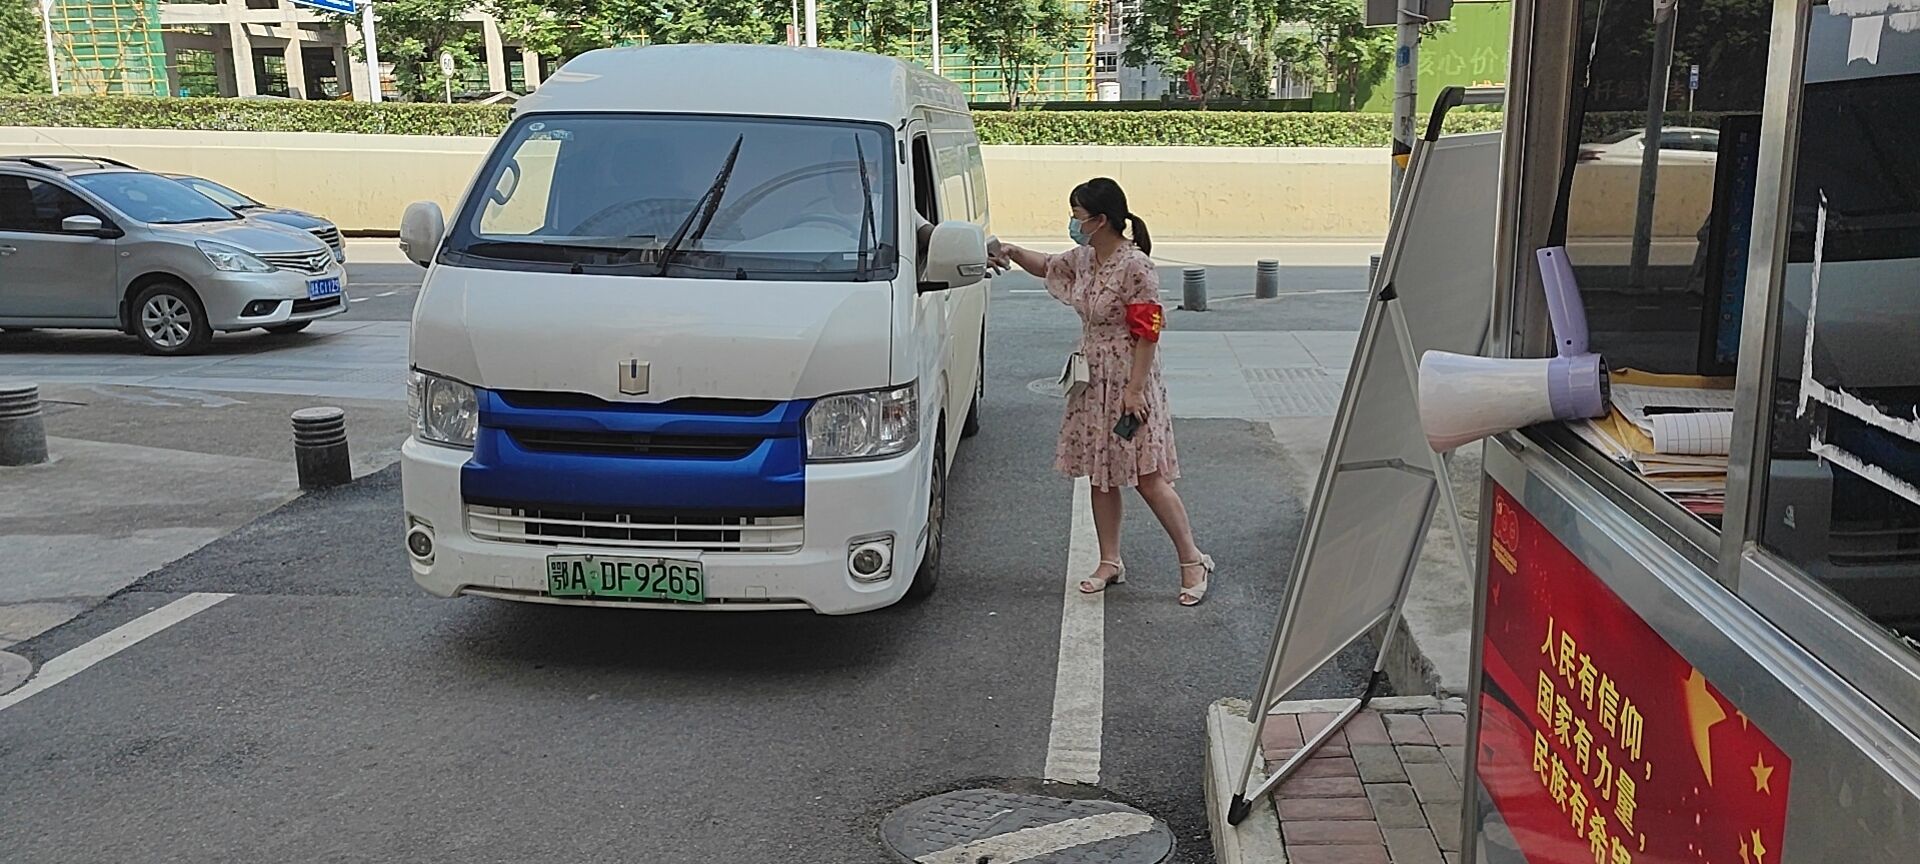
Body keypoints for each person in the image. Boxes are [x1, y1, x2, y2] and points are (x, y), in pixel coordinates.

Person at [992, 178, 1216, 606]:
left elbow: (1148, 330)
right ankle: (1109, 560)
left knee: (1148, 477)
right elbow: (1048, 265)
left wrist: (1135, 390)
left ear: (1100, 219)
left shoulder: (1136, 266)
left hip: (1129, 375)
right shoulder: (1085, 257)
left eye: (1077, 216)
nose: (1073, 224)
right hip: (1092, 377)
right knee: (1101, 473)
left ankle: (1192, 559)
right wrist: (1013, 251)